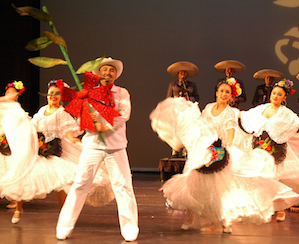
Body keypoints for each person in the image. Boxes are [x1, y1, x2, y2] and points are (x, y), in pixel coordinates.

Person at [150, 78, 299, 233]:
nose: (224, 94)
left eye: (227, 92)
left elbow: (230, 132)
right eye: (221, 91)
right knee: (193, 184)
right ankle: (190, 218)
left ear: (231, 96)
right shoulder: (208, 108)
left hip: (219, 152)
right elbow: (201, 126)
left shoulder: (229, 113)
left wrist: (228, 148)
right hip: (203, 149)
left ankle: (225, 222)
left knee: (219, 190)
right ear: (216, 92)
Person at [56, 57, 139, 242]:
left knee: (123, 186)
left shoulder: (122, 93)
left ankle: (130, 228)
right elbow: (80, 119)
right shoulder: (88, 92)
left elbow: (124, 114)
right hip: (92, 145)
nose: (108, 72)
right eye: (104, 69)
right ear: (99, 72)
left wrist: (106, 126)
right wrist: (84, 121)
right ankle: (64, 227)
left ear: (115, 75)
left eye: (111, 70)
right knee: (80, 184)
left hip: (115, 146)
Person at [0, 80, 84, 224]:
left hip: (56, 151)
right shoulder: (42, 110)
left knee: (59, 182)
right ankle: (18, 209)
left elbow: (68, 131)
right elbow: (33, 127)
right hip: (40, 149)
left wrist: (74, 140)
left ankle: (65, 213)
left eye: (57, 94)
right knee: (23, 174)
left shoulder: (62, 113)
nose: (53, 96)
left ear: (61, 96)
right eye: (51, 93)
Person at [240, 78, 299, 222]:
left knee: (277, 177)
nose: (276, 96)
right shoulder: (261, 108)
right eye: (274, 94)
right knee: (259, 177)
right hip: (259, 148)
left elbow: (295, 122)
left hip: (276, 148)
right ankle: (263, 207)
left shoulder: (285, 113)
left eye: (279, 94)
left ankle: (281, 209)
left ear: (284, 97)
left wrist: (280, 133)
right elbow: (247, 115)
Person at [0, 81, 25, 210]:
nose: (9, 95)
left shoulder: (16, 108)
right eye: (7, 92)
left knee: (11, 170)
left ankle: (15, 199)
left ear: (16, 96)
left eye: (12, 93)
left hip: (12, 141)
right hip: (2, 137)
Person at [166, 61, 199, 157]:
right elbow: (168, 98)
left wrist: (190, 99)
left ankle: (185, 151)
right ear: (178, 74)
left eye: (184, 73)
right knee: (176, 131)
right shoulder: (172, 84)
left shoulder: (192, 85)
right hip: (177, 111)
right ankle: (175, 151)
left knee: (187, 130)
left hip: (188, 111)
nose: (183, 74)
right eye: (181, 73)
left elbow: (197, 97)